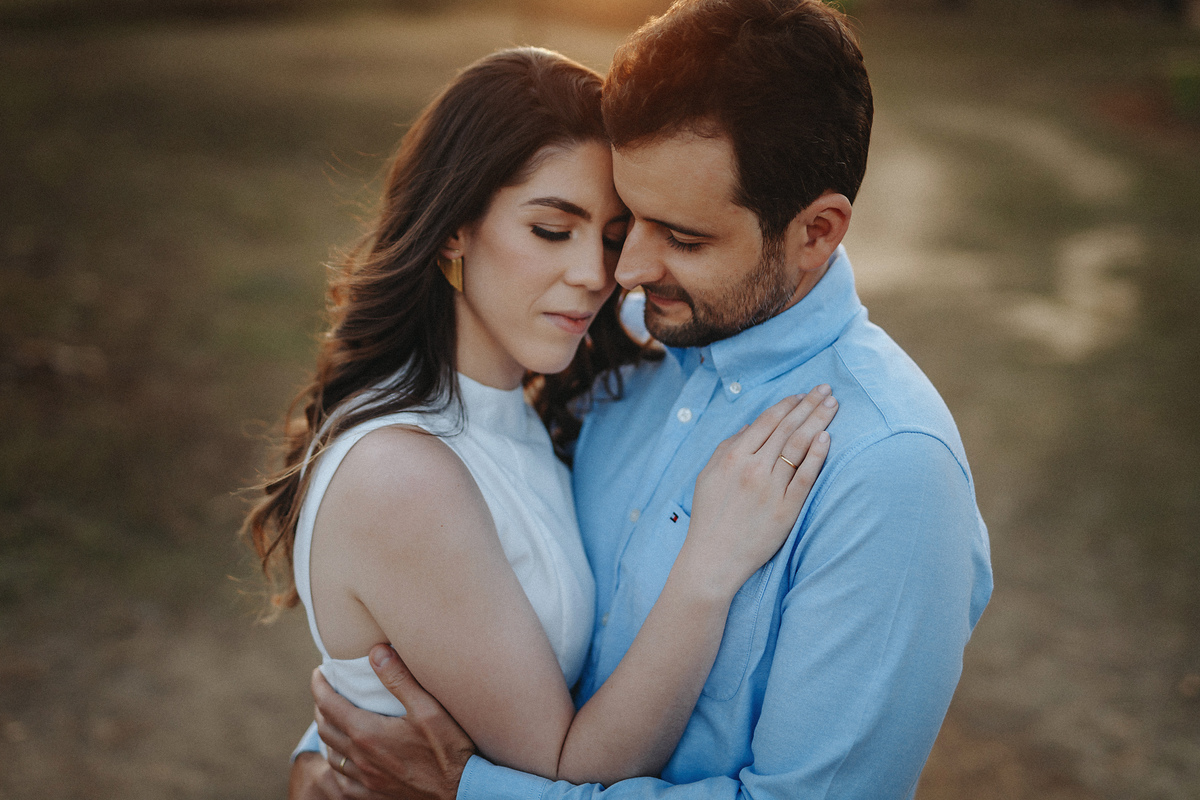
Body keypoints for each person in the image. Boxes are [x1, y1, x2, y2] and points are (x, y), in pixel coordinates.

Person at [290, 1, 994, 798]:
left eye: (681, 238)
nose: (619, 272)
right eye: (630, 226)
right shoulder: (615, 350)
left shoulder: (889, 469)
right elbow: (459, 599)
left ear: (817, 231)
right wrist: (333, 752)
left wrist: (468, 789)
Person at [244, 45, 838, 796]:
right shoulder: (402, 473)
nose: (597, 274)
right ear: (455, 228)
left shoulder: (513, 403)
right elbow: (564, 770)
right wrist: (710, 565)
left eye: (612, 236)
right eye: (552, 231)